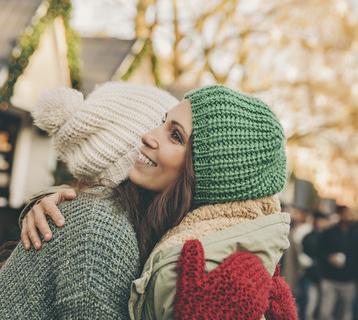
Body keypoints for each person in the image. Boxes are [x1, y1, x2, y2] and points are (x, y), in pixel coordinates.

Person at [21, 85, 296, 319]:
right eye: (163, 122)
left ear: (211, 173)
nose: (147, 134)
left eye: (175, 135)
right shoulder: (165, 235)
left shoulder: (201, 269)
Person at [0, 81, 179, 319]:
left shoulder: (104, 219)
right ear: (138, 155)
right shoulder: (100, 228)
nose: (153, 137)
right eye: (173, 135)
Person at [317, 205, 358, 320]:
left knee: (342, 314)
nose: (349, 216)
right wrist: (329, 258)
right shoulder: (329, 232)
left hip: (348, 281)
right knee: (325, 313)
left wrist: (356, 278)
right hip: (330, 278)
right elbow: (319, 251)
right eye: (346, 213)